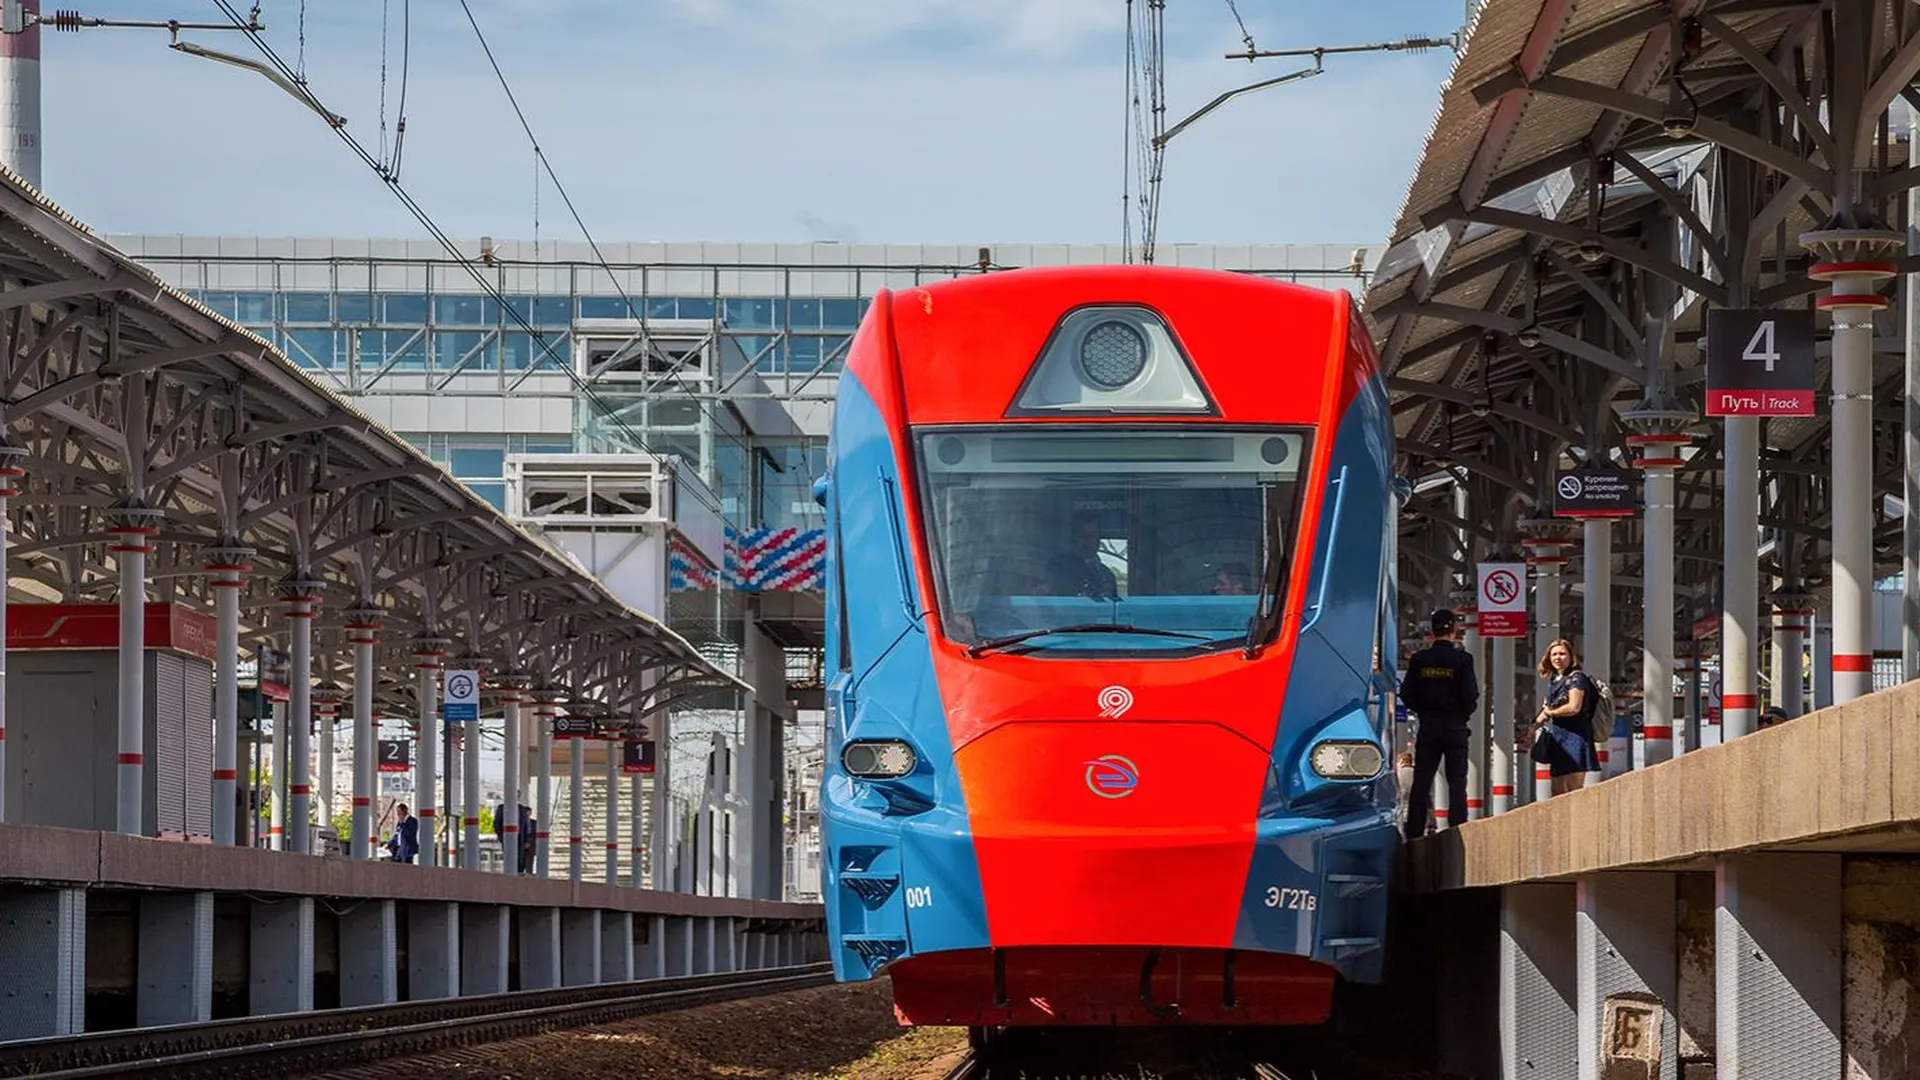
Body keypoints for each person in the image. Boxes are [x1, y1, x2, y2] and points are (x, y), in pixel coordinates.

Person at [1396, 609, 1480, 841]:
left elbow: (1407, 693)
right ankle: (1456, 831)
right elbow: (1470, 695)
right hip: (1455, 727)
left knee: (1422, 780)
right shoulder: (1463, 660)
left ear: (1432, 631)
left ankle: (1413, 832)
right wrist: (1461, 714)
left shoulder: (1419, 660)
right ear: (1454, 630)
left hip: (1429, 726)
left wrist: (1423, 710)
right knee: (1457, 780)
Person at [1529, 638, 1601, 796]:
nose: (1558, 658)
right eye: (1554, 654)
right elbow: (1547, 707)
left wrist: (1551, 713)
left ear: (1571, 657)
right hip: (1558, 739)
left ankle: (1580, 821)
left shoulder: (1577, 678)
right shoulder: (1554, 680)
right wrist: (1532, 728)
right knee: (1557, 790)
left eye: (1562, 654)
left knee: (1573, 790)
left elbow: (1574, 707)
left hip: (1576, 738)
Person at [1044, 509, 1120, 599]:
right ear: (1073, 538)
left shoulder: (1107, 575)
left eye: (1093, 535)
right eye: (1082, 535)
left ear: (1099, 538)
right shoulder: (1057, 566)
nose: (1088, 541)